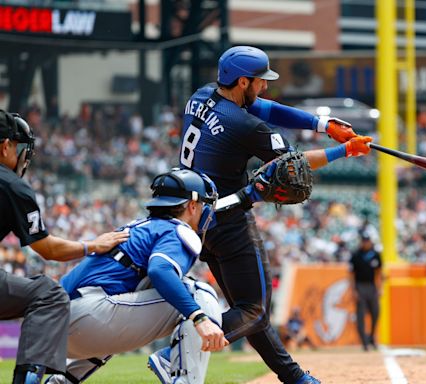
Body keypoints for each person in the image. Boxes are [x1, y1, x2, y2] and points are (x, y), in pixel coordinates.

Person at [168, 45, 373, 384]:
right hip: (229, 219)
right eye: (260, 81)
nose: (265, 86)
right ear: (243, 82)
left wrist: (322, 123)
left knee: (247, 310)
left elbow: (265, 107)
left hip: (196, 217)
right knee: (256, 310)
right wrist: (345, 150)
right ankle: (180, 350)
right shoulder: (246, 126)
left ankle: (294, 378)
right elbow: (293, 167)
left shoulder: (203, 95)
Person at [44, 169, 227, 384]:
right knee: (200, 294)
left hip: (53, 326)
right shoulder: (178, 230)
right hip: (87, 317)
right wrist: (199, 317)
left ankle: (62, 380)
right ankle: (180, 375)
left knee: (130, 293)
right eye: (205, 204)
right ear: (192, 205)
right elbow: (160, 270)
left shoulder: (137, 227)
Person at [0, 109, 129, 384]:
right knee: (48, 294)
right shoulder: (11, 185)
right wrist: (92, 245)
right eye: (20, 147)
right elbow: (48, 250)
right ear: (5, 146)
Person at [349, 233, 382, 351]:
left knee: (375, 313)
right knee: (360, 316)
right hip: (360, 287)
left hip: (372, 286)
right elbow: (351, 275)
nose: (366, 243)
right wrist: (353, 290)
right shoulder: (356, 255)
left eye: (367, 241)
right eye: (364, 241)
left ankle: (372, 337)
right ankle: (364, 342)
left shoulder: (375, 255)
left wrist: (379, 287)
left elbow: (379, 272)